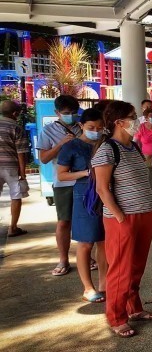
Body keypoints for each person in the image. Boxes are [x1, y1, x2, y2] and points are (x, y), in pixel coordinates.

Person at [91, 100, 152, 337]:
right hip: (123, 219)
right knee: (120, 269)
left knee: (136, 267)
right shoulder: (107, 149)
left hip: (144, 215)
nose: (138, 120)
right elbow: (102, 188)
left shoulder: (134, 147)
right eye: (133, 116)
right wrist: (120, 216)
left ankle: (134, 308)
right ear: (119, 122)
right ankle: (116, 316)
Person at [57, 108, 106, 303]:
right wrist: (85, 173)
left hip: (106, 194)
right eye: (91, 127)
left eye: (100, 127)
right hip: (84, 194)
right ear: (81, 126)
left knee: (104, 242)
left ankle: (104, 284)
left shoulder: (105, 144)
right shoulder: (72, 146)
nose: (96, 131)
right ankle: (88, 287)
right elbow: (61, 175)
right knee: (86, 242)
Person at [36, 95, 82, 276]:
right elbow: (44, 158)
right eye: (66, 113)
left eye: (73, 113)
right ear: (57, 113)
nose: (70, 116)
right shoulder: (48, 131)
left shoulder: (82, 128)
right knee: (64, 221)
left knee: (84, 220)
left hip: (84, 181)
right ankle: (63, 258)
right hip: (63, 182)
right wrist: (61, 144)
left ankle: (86, 255)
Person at [0, 101, 30, 237]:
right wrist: (23, 174)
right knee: (16, 196)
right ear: (15, 113)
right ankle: (13, 228)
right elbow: (21, 153)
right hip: (11, 166)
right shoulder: (16, 127)